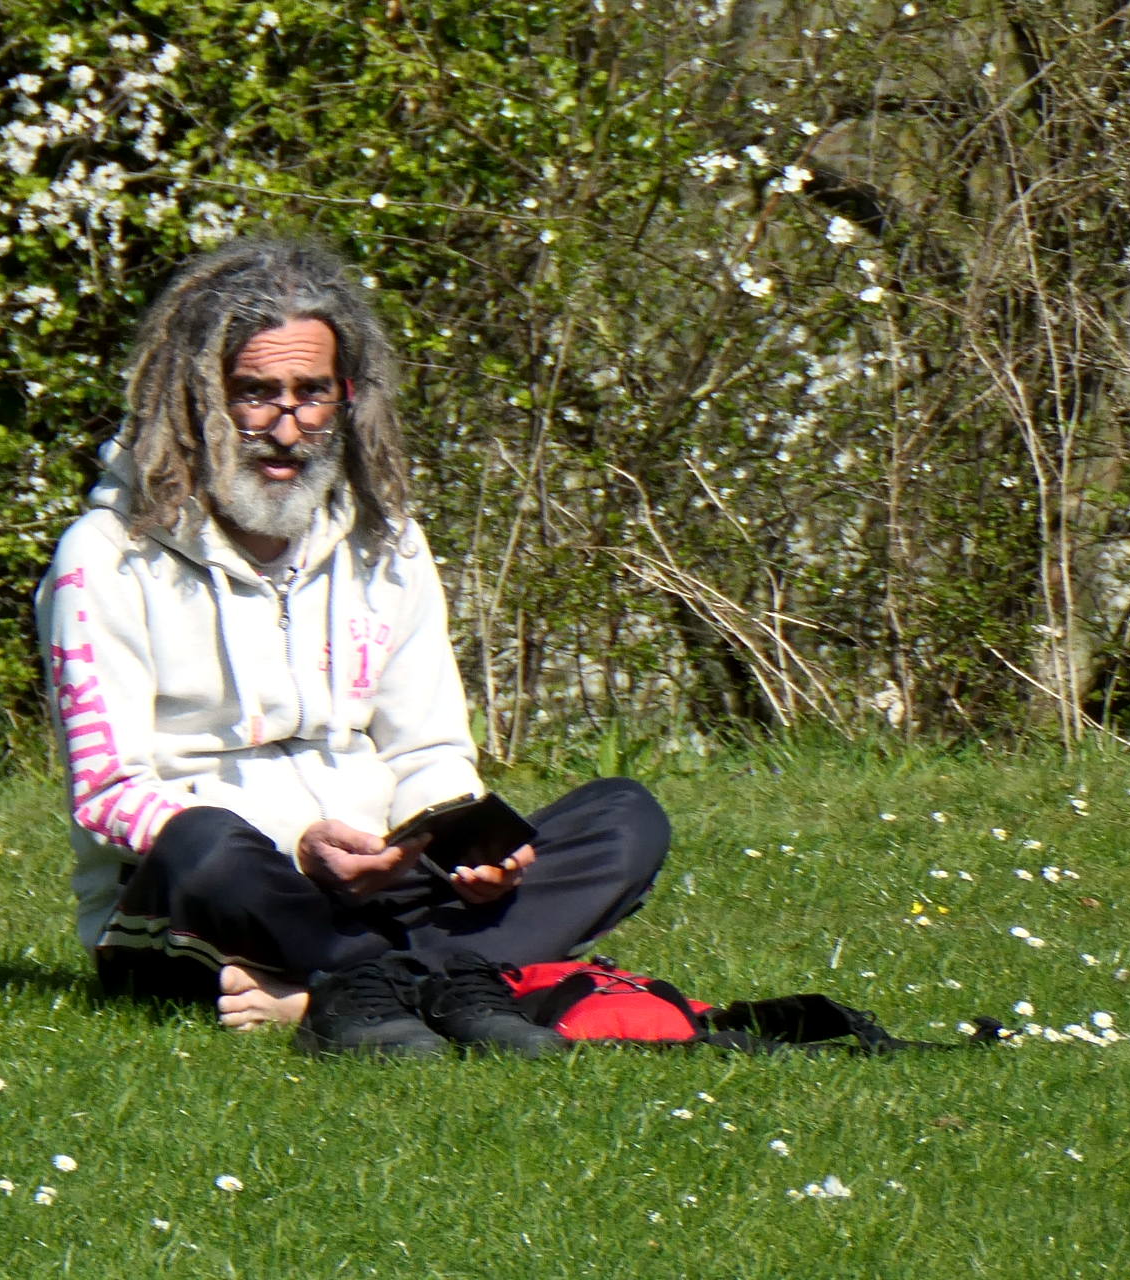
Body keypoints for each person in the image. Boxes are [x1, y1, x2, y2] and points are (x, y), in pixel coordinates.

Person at [37, 238, 669, 1057]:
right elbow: (108, 794)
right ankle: (444, 980)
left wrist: (458, 847)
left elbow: (429, 747)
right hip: (211, 900)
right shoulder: (105, 557)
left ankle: (326, 993)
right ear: (195, 401)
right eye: (255, 396)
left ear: (347, 395)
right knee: (202, 842)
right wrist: (301, 843)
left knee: (624, 818)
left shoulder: (388, 542)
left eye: (312, 395)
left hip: (383, 889)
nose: (287, 428)